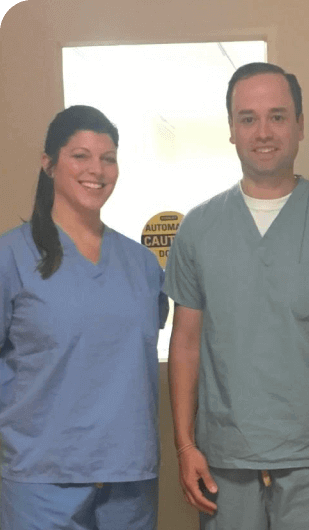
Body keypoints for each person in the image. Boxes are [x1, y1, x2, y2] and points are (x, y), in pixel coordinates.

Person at [164, 62, 309, 529]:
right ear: (231, 130)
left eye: (277, 115)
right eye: (247, 118)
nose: (263, 131)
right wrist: (186, 445)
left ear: (299, 126)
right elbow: (186, 343)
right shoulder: (198, 228)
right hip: (225, 462)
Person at [0, 105, 169, 530]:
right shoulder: (12, 257)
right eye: (80, 155)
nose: (97, 169)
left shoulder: (143, 265)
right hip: (41, 477)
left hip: (129, 476)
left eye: (108, 157)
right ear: (49, 163)